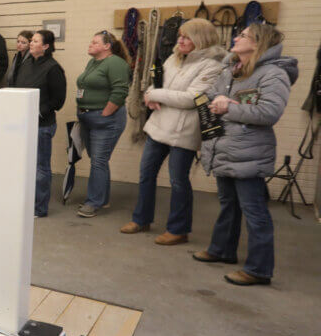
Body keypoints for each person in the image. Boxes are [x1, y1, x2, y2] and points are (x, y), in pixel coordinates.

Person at [195, 23, 297, 286]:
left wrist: (228, 107)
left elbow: (269, 113)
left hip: (249, 153)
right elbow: (210, 96)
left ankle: (259, 269)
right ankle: (222, 250)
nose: (236, 38)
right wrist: (217, 103)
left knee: (254, 212)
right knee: (228, 204)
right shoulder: (231, 70)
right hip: (224, 148)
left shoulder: (273, 75)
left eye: (243, 35)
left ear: (257, 43)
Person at [121, 18, 226, 244]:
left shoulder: (213, 66)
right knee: (146, 174)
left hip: (184, 131)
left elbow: (192, 98)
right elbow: (155, 83)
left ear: (201, 39)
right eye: (180, 35)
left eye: (187, 36)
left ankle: (179, 229)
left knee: (178, 181)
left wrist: (156, 96)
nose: (180, 40)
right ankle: (141, 218)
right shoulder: (173, 58)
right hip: (158, 126)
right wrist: (149, 94)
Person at [75, 30, 131, 218]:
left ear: (107, 46)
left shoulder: (115, 63)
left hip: (105, 119)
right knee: (98, 160)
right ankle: (102, 198)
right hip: (89, 118)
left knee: (98, 160)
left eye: (95, 42)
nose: (90, 44)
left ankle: (94, 202)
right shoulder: (93, 62)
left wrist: (105, 114)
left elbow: (120, 90)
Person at [11, 30, 66, 217]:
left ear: (46, 46)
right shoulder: (26, 63)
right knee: (23, 166)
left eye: (35, 41)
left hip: (42, 125)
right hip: (22, 122)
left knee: (40, 168)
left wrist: (39, 111)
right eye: (31, 41)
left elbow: (59, 101)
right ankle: (25, 202)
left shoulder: (53, 68)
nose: (31, 44)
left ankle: (39, 208)